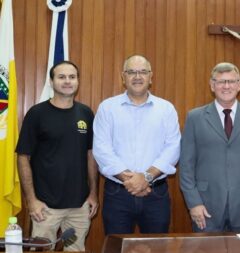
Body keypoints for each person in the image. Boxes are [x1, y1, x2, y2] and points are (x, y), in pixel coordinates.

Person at [93, 55, 181, 235]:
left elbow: (172, 149)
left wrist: (146, 177)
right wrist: (132, 181)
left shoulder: (166, 109)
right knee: (116, 248)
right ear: (123, 77)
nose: (137, 76)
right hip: (118, 195)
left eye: (143, 72)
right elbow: (102, 149)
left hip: (155, 195)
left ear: (151, 77)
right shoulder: (107, 108)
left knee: (157, 248)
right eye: (131, 72)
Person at [15, 61, 98, 251]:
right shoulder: (37, 114)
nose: (67, 81)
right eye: (61, 77)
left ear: (78, 81)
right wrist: (32, 200)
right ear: (51, 82)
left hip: (79, 206)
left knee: (75, 250)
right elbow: (23, 158)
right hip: (45, 208)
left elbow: (91, 155)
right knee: (43, 250)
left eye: (72, 77)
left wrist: (93, 194)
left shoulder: (85, 113)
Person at [179, 62, 240, 232]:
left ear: (239, 85)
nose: (226, 86)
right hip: (206, 208)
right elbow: (186, 166)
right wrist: (194, 203)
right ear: (212, 85)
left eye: (231, 81)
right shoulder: (195, 118)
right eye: (220, 82)